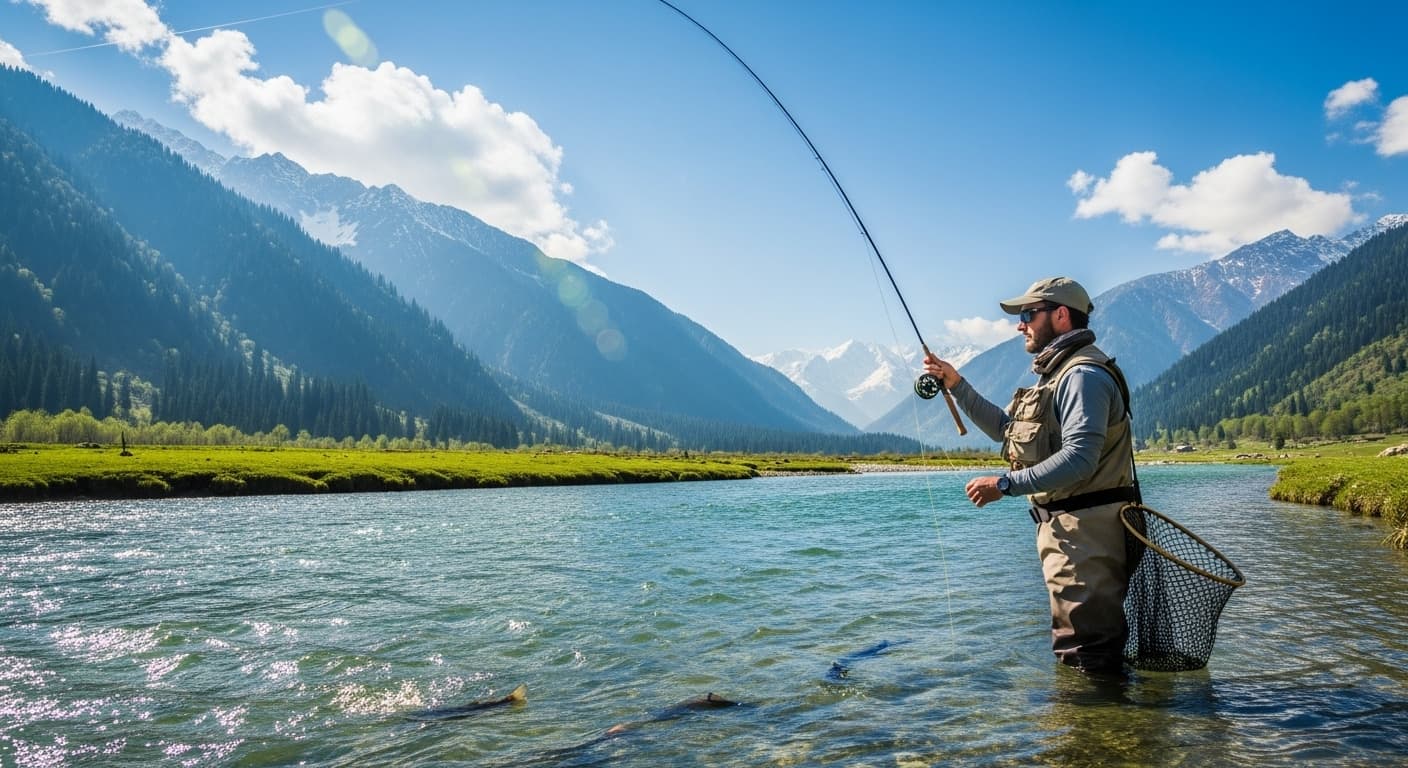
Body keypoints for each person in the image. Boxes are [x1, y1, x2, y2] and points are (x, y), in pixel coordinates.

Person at [923, 276, 1137, 674]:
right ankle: (1101, 729)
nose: (1020, 324)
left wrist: (1004, 485)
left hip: (1086, 538)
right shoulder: (1057, 375)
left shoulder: (1081, 376)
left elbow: (1079, 458)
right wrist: (957, 385)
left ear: (1060, 316)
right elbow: (1009, 433)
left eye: (1027, 314)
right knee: (1083, 648)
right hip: (1073, 536)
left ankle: (1089, 730)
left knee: (1084, 653)